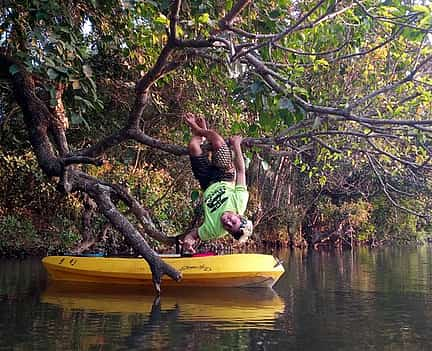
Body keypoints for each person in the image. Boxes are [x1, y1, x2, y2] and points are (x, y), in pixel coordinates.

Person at [181, 113, 253, 253]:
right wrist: (236, 145)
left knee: (193, 146)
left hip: (206, 182)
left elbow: (193, 235)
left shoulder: (214, 230)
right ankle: (198, 129)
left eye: (229, 227)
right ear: (239, 216)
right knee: (217, 141)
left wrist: (188, 242)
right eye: (233, 221)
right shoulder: (240, 202)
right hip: (225, 174)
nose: (228, 222)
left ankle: (200, 135)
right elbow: (240, 171)